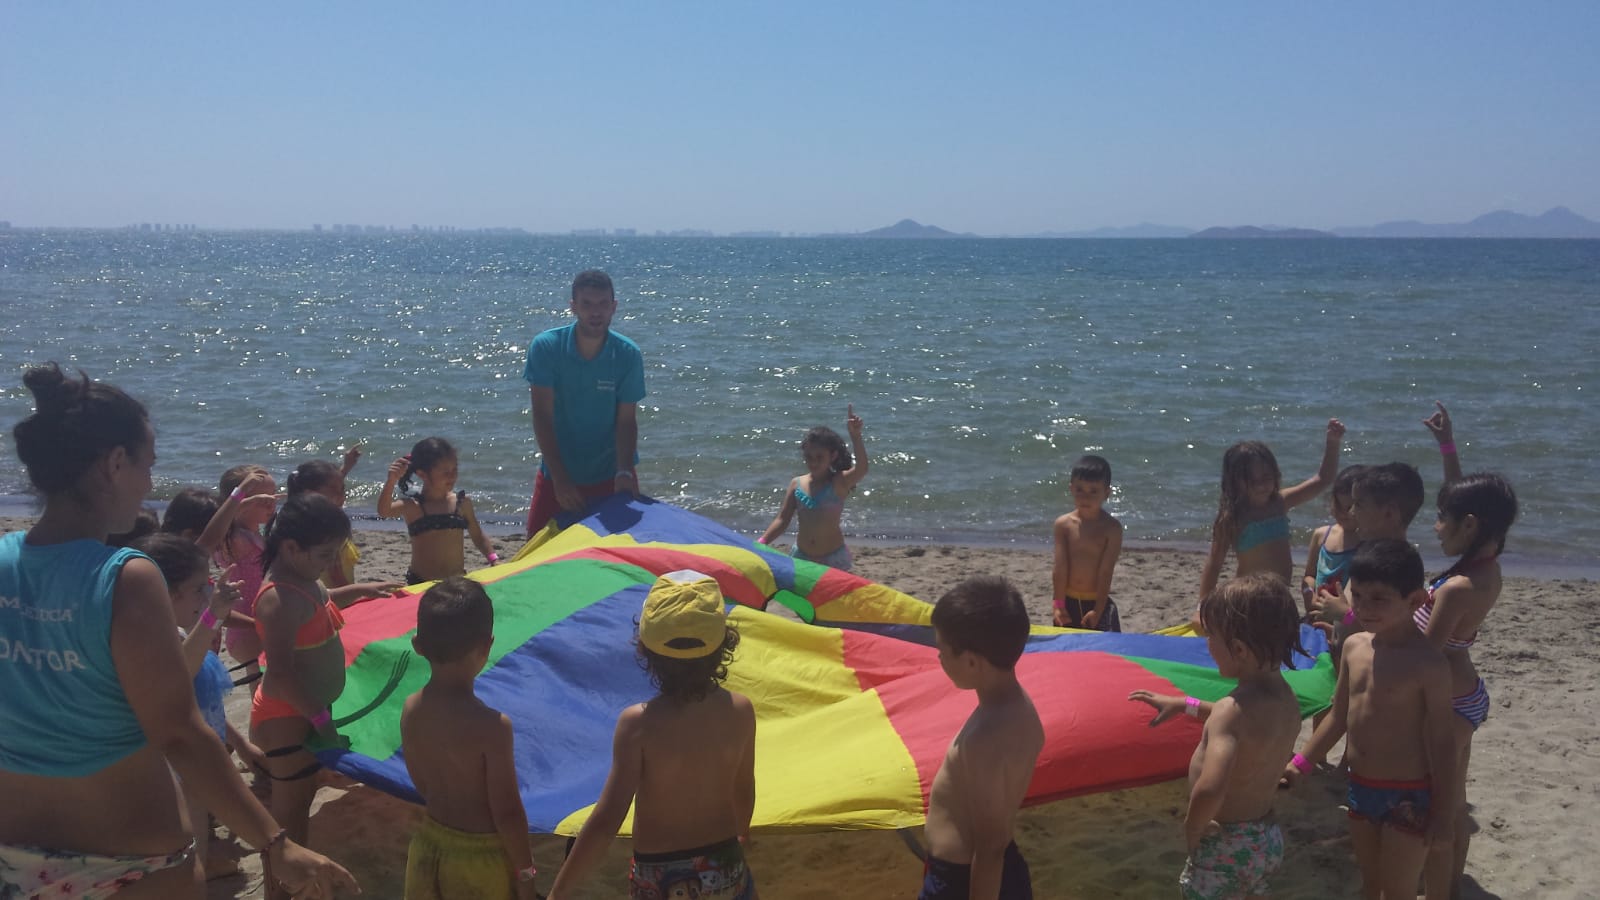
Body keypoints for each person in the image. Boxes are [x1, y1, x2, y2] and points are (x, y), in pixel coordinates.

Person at [0, 362, 356, 898]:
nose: (149, 485)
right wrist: (275, 842)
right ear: (115, 463)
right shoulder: (125, 577)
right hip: (128, 858)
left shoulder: (4, 561)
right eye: (148, 465)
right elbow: (179, 732)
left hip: (18, 853)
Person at [549, 570, 757, 899]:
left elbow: (606, 821)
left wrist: (558, 893)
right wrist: (741, 836)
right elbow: (743, 790)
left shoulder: (639, 724)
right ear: (722, 644)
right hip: (725, 865)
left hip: (662, 877)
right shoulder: (740, 711)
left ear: (645, 648)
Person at [1281, 540, 1456, 900]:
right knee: (1370, 885)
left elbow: (1443, 742)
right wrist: (1300, 764)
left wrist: (1443, 814)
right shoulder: (1353, 647)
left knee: (1398, 890)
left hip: (1409, 796)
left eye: (1379, 599)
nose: (1363, 607)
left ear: (1415, 600)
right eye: (1357, 596)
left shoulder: (1428, 663)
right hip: (1360, 788)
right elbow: (1338, 717)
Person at [1127, 574, 1304, 900]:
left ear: (1238, 649)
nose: (1207, 645)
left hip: (1225, 842)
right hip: (1265, 838)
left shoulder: (1229, 712)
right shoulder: (1285, 699)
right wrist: (1185, 704)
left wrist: (1194, 827)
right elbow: (1245, 723)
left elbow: (1211, 787)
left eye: (1211, 637)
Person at [1417, 402, 1517, 899]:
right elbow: (1467, 506)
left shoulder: (1458, 588)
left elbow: (1423, 657)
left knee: (1441, 804)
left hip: (1448, 701)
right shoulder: (1487, 561)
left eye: (1442, 519)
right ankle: (1452, 886)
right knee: (1453, 801)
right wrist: (1447, 447)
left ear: (1470, 525)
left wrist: (1350, 617)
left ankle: (1443, 889)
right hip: (1465, 695)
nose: (1437, 527)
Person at [131, 532, 264, 878]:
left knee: (198, 812)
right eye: (198, 589)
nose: (205, 596)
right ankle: (195, 873)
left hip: (195, 755)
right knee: (186, 819)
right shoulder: (148, 636)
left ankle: (201, 867)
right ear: (165, 592)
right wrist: (213, 615)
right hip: (177, 760)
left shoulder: (174, 628)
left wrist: (236, 742)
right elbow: (179, 673)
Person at [401, 577, 538, 900]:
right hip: (479, 860)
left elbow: (420, 781)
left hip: (428, 846)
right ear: (487, 647)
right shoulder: (492, 727)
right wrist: (526, 874)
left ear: (418, 645)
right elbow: (507, 812)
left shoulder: (411, 708)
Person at [249, 493, 358, 900]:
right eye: (325, 554)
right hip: (286, 721)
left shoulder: (303, 578)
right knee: (288, 821)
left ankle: (291, 890)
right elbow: (279, 677)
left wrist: (364, 588)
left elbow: (321, 602)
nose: (330, 564)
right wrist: (321, 722)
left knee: (302, 801)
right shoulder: (278, 599)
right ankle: (278, 894)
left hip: (305, 715)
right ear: (291, 547)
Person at [920, 575, 1043, 900]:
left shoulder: (986, 739)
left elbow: (990, 848)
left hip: (963, 881)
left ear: (972, 661)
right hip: (987, 873)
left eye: (942, 651)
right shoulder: (1017, 705)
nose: (939, 658)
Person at [523, 269, 647, 537]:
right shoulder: (546, 347)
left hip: (612, 474)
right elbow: (542, 416)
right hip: (558, 472)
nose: (596, 312)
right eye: (587, 304)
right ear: (573, 306)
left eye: (603, 303)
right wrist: (560, 479)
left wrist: (624, 471)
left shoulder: (627, 354)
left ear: (614, 307)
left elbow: (626, 421)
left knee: (618, 553)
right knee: (535, 550)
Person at [1194, 419, 1345, 633]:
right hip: (1249, 595)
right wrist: (1203, 605)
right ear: (1235, 481)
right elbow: (1214, 563)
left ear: (1275, 473)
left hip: (1280, 595)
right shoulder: (1233, 518)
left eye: (1266, 476)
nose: (1261, 484)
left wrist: (1333, 443)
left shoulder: (1280, 503)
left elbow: (1323, 480)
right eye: (1252, 480)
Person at [1307, 462, 1426, 629]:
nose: (1351, 513)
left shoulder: (1397, 567)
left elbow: (1390, 629)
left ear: (1389, 513)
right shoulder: (1369, 554)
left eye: (1359, 505)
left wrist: (1344, 615)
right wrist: (1336, 633)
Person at [757, 407, 870, 571]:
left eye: (819, 457)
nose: (814, 462)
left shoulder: (839, 482)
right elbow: (782, 519)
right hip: (801, 556)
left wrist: (856, 435)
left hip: (833, 559)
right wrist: (762, 542)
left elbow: (862, 468)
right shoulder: (796, 483)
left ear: (833, 456)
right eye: (809, 457)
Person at [379, 437, 500, 585]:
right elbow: (384, 511)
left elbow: (478, 536)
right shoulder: (413, 506)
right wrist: (391, 480)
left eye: (455, 469)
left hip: (456, 582)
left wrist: (493, 559)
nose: (452, 476)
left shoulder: (461, 503)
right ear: (422, 474)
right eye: (445, 472)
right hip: (421, 584)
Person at [287, 457, 400, 603]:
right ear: (310, 493)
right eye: (334, 490)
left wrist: (345, 468)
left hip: (325, 597)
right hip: (331, 601)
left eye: (343, 489)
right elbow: (337, 578)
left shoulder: (299, 520)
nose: (342, 496)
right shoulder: (326, 528)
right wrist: (359, 595)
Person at [200, 465, 280, 669]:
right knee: (261, 681)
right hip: (246, 628)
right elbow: (214, 531)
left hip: (258, 621)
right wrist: (238, 500)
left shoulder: (254, 534)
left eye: (273, 495)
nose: (271, 503)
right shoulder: (235, 539)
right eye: (262, 499)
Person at [1050, 454, 1123, 631]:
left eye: (1093, 491)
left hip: (1097, 603)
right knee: (1067, 647)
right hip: (1067, 602)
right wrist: (1058, 606)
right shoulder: (1063, 525)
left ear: (1106, 493)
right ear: (1071, 489)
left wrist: (1098, 610)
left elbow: (1106, 572)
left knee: (1104, 647)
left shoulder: (1112, 528)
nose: (1085, 497)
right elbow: (1060, 569)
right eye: (1080, 489)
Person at [1299, 464, 1365, 614]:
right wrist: (1309, 593)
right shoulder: (1321, 535)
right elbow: (1310, 575)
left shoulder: (1366, 543)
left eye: (1349, 508)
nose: (1342, 513)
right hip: (1317, 612)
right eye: (1338, 505)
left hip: (1346, 618)